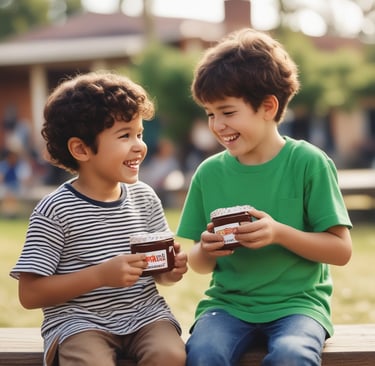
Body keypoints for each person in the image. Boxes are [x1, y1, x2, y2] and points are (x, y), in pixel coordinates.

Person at [176, 28, 352, 366]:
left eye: (227, 112)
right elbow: (198, 264)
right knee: (203, 353)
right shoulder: (208, 173)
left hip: (299, 306)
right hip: (226, 306)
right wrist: (207, 248)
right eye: (210, 113)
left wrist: (278, 233)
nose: (217, 125)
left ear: (268, 106)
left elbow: (341, 251)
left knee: (291, 355)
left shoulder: (308, 163)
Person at [10, 71, 187, 366]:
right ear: (81, 149)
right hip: (79, 322)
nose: (139, 145)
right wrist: (99, 276)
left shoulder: (145, 197)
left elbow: (160, 274)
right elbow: (29, 293)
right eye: (124, 135)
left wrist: (170, 270)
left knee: (170, 355)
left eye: (139, 133)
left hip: (145, 315)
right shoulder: (55, 210)